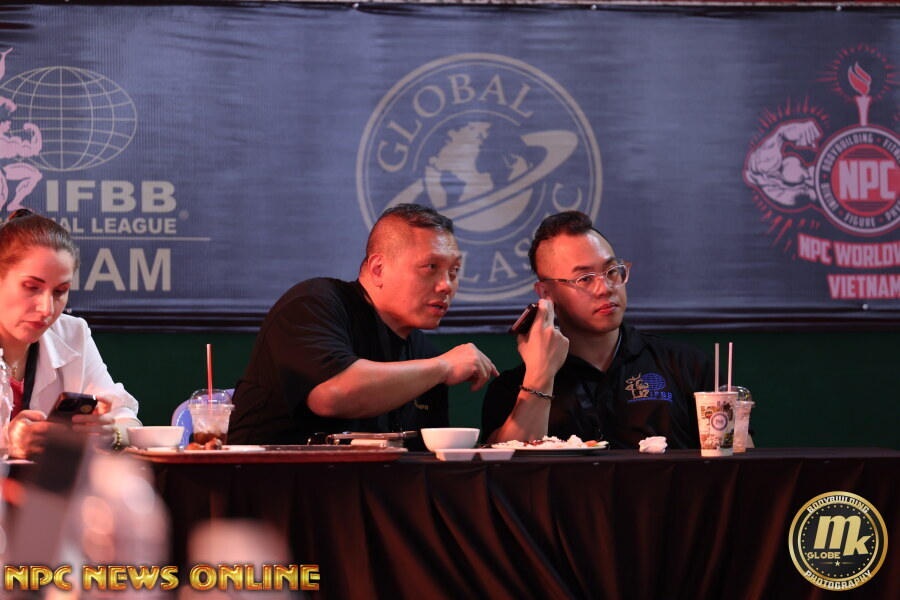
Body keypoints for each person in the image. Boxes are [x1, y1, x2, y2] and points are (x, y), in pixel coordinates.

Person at [230, 203, 497, 447]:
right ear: (378, 269)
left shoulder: (425, 354)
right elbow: (333, 393)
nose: (446, 286)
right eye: (431, 267)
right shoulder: (313, 303)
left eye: (454, 271)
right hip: (267, 477)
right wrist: (443, 367)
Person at [482, 211, 713, 449]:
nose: (605, 288)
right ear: (546, 294)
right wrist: (540, 377)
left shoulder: (686, 365)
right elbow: (504, 466)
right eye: (584, 278)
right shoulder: (511, 388)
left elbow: (731, 458)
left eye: (611, 271)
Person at [0, 209, 140, 458]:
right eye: (31, 287)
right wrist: (7, 441)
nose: (46, 309)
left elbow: (125, 417)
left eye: (59, 291)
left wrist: (111, 434)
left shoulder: (72, 333)